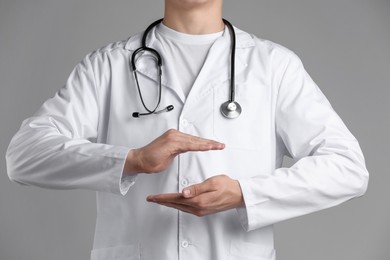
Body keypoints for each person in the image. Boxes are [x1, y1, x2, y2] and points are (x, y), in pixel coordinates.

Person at [6, 0, 369, 259]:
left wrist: (245, 193)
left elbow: (348, 168)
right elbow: (23, 157)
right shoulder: (109, 66)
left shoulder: (273, 66)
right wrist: (131, 159)